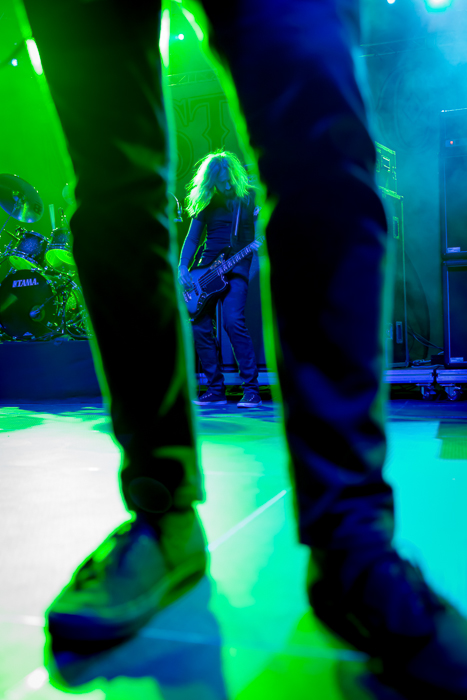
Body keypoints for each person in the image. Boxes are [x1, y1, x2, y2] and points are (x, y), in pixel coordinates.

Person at [20, 0, 467, 697]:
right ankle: (162, 512)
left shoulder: (230, 208)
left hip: (230, 272)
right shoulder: (206, 213)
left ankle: (350, 533)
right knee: (113, 188)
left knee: (323, 150)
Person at [178, 151, 262, 408]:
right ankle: (215, 390)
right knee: (199, 325)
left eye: (228, 180)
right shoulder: (207, 200)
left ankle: (252, 391)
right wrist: (183, 267)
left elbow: (263, 228)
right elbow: (193, 238)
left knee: (233, 321)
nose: (225, 186)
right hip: (205, 269)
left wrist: (261, 220)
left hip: (236, 267)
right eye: (220, 182)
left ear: (235, 176)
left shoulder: (249, 196)